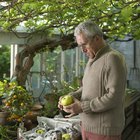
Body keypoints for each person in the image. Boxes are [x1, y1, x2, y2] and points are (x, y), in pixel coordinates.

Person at [58, 20, 127, 140]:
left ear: (97, 38)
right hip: (86, 127)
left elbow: (115, 96)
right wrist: (72, 96)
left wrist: (82, 107)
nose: (82, 50)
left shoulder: (113, 58)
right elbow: (88, 87)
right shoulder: (93, 59)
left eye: (84, 44)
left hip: (104, 131)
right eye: (80, 46)